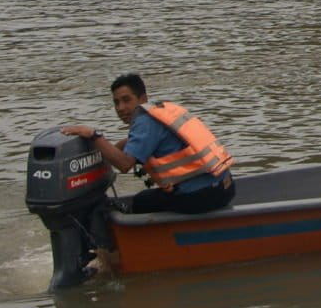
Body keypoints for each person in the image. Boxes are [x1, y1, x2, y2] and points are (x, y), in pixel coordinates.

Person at [61, 73, 235, 215]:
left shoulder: (144, 122)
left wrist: (93, 135)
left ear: (142, 99)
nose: (120, 108)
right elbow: (143, 143)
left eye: (126, 100)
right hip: (225, 187)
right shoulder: (161, 111)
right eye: (116, 102)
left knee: (140, 202)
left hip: (202, 196)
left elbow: (124, 165)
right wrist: (112, 149)